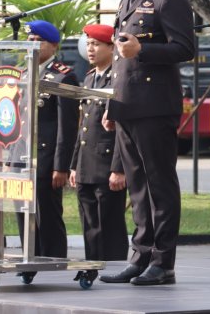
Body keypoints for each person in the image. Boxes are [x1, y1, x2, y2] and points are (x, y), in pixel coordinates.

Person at [99, 0, 194, 286]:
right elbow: (121, 60)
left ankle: (162, 261)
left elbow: (184, 48)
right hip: (128, 105)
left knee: (159, 185)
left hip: (155, 107)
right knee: (137, 186)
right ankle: (139, 256)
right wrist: (113, 104)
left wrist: (145, 49)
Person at [15, 20, 79, 258]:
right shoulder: (20, 74)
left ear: (53, 46)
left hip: (46, 159)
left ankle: (53, 261)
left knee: (47, 216)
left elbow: (67, 126)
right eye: (30, 40)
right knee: (23, 214)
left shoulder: (64, 77)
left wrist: (61, 166)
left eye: (38, 41)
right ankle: (28, 260)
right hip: (20, 158)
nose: (32, 44)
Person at [69, 24, 128, 260]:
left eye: (96, 44)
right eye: (88, 43)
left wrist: (119, 168)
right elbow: (83, 126)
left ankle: (113, 266)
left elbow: (122, 130)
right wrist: (74, 164)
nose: (90, 49)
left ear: (111, 47)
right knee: (90, 224)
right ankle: (92, 265)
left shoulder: (119, 78)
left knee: (109, 224)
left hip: (107, 165)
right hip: (86, 164)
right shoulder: (90, 77)